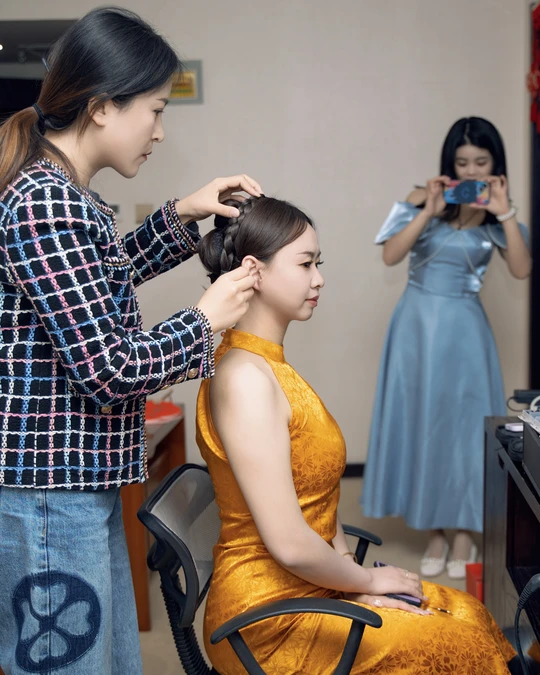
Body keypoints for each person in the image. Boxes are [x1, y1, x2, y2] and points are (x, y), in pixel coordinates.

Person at [0, 8, 261, 675]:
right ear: (101, 108)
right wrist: (204, 319)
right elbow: (108, 368)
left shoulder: (61, 192)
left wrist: (182, 214)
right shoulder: (45, 201)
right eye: (155, 110)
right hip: (50, 490)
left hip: (73, 480)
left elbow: (94, 280)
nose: (160, 131)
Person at [195, 194, 516, 674]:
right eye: (305, 264)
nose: (319, 279)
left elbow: (316, 500)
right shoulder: (244, 378)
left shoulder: (268, 365)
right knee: (460, 643)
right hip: (268, 618)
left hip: (312, 584)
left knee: (467, 611)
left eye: (318, 264)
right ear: (254, 271)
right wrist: (364, 581)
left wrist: (354, 580)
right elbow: (289, 543)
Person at [361, 117, 531, 579]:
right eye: (462, 162)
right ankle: (435, 530)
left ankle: (464, 532)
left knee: (464, 431)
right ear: (449, 164)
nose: (471, 171)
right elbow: (390, 255)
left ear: (496, 166)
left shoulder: (498, 216)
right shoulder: (422, 197)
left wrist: (505, 213)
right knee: (422, 424)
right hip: (414, 329)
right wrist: (428, 210)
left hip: (465, 333)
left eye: (481, 162)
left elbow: (521, 270)